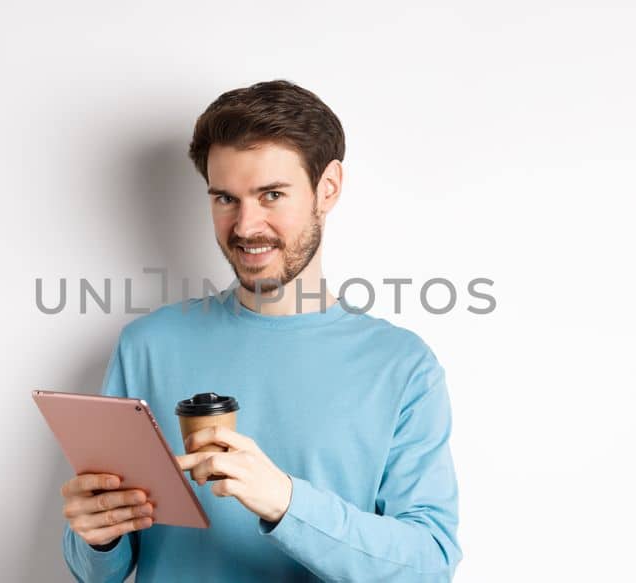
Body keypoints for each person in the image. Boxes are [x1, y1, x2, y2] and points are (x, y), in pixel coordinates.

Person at [58, 80, 462, 581]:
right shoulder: (147, 345)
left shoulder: (402, 365)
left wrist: (286, 502)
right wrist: (98, 534)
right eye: (225, 198)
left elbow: (430, 563)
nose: (246, 225)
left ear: (328, 187)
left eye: (271, 194)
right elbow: (99, 572)